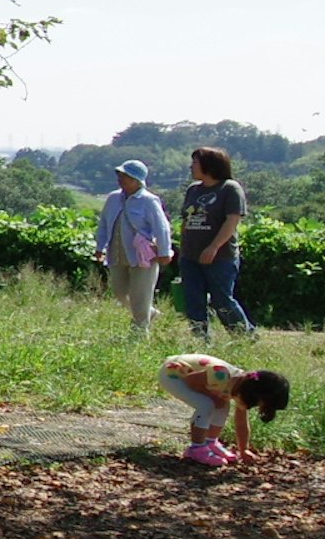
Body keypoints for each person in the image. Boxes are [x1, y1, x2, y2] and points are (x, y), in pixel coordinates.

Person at [176, 145, 257, 340]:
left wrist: (213, 247)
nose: (191, 167)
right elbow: (186, 219)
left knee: (222, 300)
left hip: (220, 257)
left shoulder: (229, 188)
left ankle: (244, 337)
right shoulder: (193, 190)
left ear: (209, 165)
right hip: (190, 256)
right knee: (194, 300)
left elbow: (232, 220)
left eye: (195, 162)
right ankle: (201, 340)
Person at [162, 350, 290, 466]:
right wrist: (212, 396)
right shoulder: (221, 375)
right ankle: (196, 448)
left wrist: (243, 449)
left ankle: (210, 442)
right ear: (249, 392)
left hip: (191, 378)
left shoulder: (239, 386)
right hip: (173, 373)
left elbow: (241, 423)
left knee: (222, 404)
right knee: (207, 404)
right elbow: (191, 380)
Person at [91, 159, 171, 337]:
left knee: (140, 296)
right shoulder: (113, 198)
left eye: (125, 176)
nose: (120, 179)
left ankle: (140, 333)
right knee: (120, 292)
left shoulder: (149, 201)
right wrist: (100, 247)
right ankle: (149, 314)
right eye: (120, 175)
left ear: (137, 180)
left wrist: (165, 252)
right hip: (117, 253)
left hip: (143, 256)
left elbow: (161, 227)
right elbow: (104, 224)